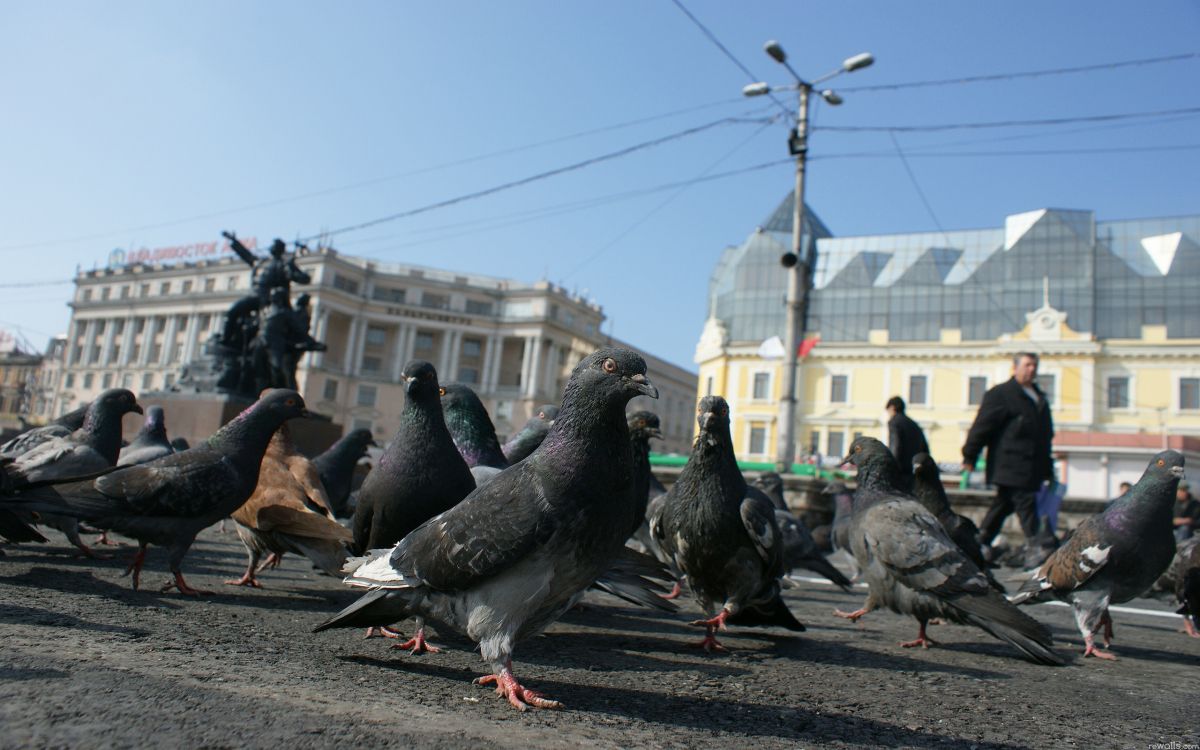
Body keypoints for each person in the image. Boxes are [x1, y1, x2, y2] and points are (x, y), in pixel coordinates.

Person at [961, 352, 1055, 563]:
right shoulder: (1002, 394)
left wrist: (1048, 467)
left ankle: (979, 541)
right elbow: (982, 426)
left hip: (1033, 466)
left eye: (1035, 365)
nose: (1032, 369)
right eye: (1027, 365)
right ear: (1015, 367)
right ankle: (1036, 544)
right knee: (1024, 501)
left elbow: (1045, 436)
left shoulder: (1039, 397)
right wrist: (970, 454)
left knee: (1004, 504)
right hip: (1009, 462)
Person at [885, 396, 929, 493]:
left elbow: (895, 445)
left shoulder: (894, 422)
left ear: (892, 407)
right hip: (913, 471)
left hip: (900, 470)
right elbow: (925, 448)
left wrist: (891, 466)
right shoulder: (914, 424)